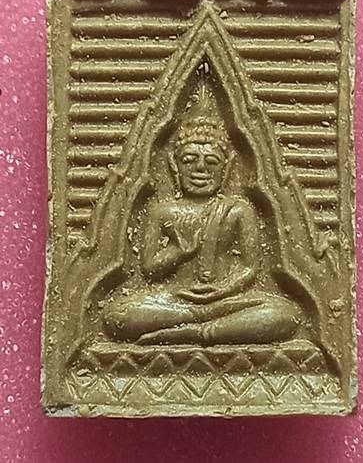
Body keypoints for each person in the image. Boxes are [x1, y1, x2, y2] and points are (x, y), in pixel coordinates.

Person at [103, 117, 301, 345]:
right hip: (175, 301)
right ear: (174, 165)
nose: (200, 168)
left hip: (226, 300)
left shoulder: (238, 209)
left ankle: (200, 332)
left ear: (226, 168)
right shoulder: (163, 211)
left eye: (212, 161)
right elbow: (150, 270)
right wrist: (178, 252)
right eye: (189, 160)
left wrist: (223, 289)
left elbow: (250, 267)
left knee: (286, 313)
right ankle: (200, 321)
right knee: (117, 315)